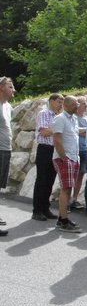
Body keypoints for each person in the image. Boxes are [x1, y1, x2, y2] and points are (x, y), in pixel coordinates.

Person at [51, 95, 82, 233]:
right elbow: (56, 140)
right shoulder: (60, 119)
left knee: (68, 188)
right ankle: (63, 220)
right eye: (75, 104)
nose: (77, 106)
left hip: (73, 157)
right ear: (66, 106)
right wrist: (64, 158)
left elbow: (75, 134)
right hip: (65, 158)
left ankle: (61, 218)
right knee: (66, 188)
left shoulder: (74, 119)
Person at [32, 93, 64, 221]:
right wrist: (58, 128)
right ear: (51, 101)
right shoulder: (44, 113)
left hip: (55, 149)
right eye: (58, 101)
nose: (60, 104)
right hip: (45, 149)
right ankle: (37, 210)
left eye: (62, 102)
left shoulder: (59, 116)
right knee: (41, 180)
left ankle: (46, 208)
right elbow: (44, 132)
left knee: (50, 180)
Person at [69, 96, 87, 211]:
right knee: (72, 175)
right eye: (83, 103)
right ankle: (67, 199)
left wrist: (82, 131)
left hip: (85, 151)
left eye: (86, 103)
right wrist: (85, 131)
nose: (86, 105)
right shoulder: (73, 118)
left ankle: (74, 199)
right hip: (75, 150)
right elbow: (74, 131)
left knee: (80, 175)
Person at [0, 76, 15, 236]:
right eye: (10, 87)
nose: (13, 90)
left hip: (5, 150)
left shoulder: (8, 106)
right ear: (1, 87)